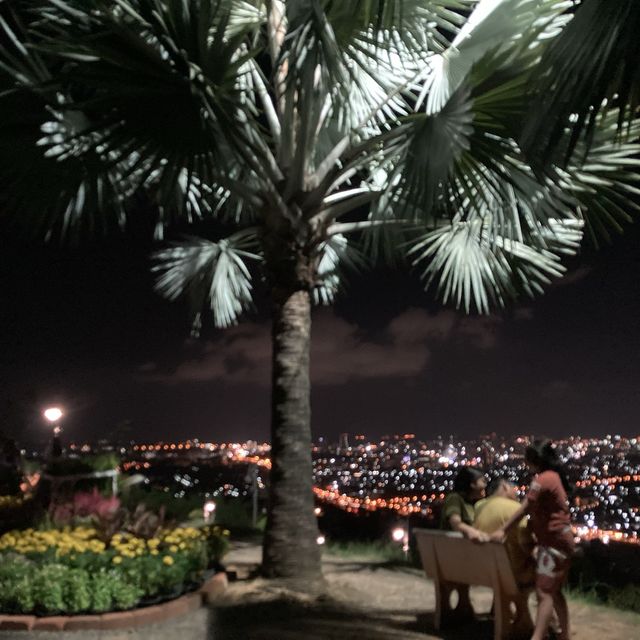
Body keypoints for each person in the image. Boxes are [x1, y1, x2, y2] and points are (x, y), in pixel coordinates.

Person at [490, 440, 574, 640]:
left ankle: (537, 637)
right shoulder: (553, 477)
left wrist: (503, 530)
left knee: (544, 592)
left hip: (553, 543)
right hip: (560, 540)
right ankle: (564, 635)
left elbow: (526, 507)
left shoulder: (542, 480)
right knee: (554, 590)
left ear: (532, 460)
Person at [475, 477, 535, 588]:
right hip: (512, 572)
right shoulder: (515, 508)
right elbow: (526, 541)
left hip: (484, 569)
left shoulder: (479, 506)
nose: (517, 491)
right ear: (505, 486)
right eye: (514, 487)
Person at [441, 466, 490, 542]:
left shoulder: (471, 503)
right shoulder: (454, 498)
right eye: (483, 481)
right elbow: (455, 523)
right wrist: (473, 532)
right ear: (472, 484)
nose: (485, 485)